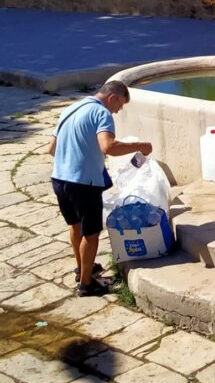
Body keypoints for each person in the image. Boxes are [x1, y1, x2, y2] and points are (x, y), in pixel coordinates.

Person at [48, 80, 152, 296]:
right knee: (92, 233)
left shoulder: (70, 108)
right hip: (83, 183)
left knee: (75, 226)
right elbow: (108, 147)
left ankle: (81, 269)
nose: (118, 110)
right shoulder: (101, 113)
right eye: (120, 105)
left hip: (59, 178)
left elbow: (51, 148)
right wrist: (140, 146)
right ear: (113, 97)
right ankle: (87, 284)